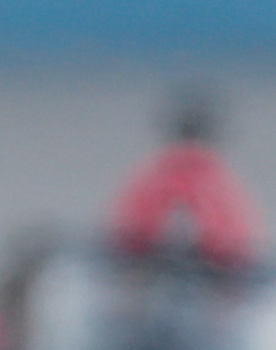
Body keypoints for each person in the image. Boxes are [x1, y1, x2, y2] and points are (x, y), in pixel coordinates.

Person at [103, 89, 261, 273]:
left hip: (148, 267)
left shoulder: (155, 172)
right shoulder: (217, 177)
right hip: (211, 272)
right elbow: (237, 240)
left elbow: (126, 230)